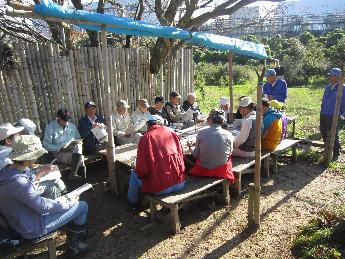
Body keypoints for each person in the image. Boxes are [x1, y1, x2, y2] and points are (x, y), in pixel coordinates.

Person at [0, 135, 91, 256]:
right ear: (28, 157)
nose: (36, 158)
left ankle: (71, 231)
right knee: (82, 206)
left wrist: (40, 173)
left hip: (19, 222)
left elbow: (25, 192)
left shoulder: (7, 172)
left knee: (54, 191)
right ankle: (74, 245)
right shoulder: (18, 182)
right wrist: (68, 203)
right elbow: (42, 206)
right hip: (32, 227)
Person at [127, 114, 185, 207]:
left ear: (148, 125)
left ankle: (132, 204)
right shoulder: (172, 132)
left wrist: (139, 172)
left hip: (160, 188)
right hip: (179, 183)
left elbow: (142, 170)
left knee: (133, 175)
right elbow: (181, 156)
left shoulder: (146, 138)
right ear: (161, 123)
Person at [0, 123, 66, 199]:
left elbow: (24, 167)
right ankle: (60, 201)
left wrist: (42, 167)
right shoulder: (7, 157)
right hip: (19, 191)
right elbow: (24, 182)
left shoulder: (9, 152)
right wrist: (41, 172)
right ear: (8, 141)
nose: (19, 136)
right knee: (53, 183)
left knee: (52, 172)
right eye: (16, 135)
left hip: (21, 184)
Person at [187, 110, 234, 182]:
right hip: (221, 169)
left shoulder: (201, 133)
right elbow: (230, 151)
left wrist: (190, 147)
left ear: (211, 120)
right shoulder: (228, 134)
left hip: (204, 168)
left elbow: (195, 154)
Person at [43, 108, 86, 180]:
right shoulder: (50, 128)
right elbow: (46, 145)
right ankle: (78, 179)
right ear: (58, 117)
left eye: (67, 119)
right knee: (80, 159)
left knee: (78, 148)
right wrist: (60, 148)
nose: (66, 121)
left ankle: (75, 177)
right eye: (64, 119)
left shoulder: (72, 126)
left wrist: (77, 142)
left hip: (73, 150)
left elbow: (78, 138)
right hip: (60, 152)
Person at [320, 68, 345, 160]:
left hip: (333, 115)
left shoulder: (343, 88)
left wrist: (342, 114)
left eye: (332, 75)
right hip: (324, 113)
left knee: (334, 134)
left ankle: (335, 153)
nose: (329, 77)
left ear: (338, 77)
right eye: (329, 75)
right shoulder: (328, 86)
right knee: (323, 131)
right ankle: (327, 149)